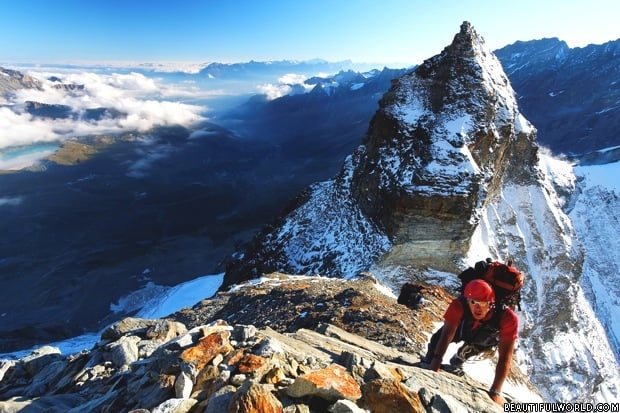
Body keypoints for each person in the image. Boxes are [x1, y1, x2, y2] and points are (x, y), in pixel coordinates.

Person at [421, 279, 518, 405]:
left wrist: (496, 391)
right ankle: (430, 358)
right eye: (473, 302)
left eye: (483, 303)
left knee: (478, 343)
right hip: (463, 329)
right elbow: (446, 335)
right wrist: (435, 363)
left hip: (485, 337)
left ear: (491, 304)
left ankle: (460, 358)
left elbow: (505, 356)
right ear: (467, 301)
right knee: (436, 339)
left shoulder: (508, 318)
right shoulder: (459, 305)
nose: (477, 307)